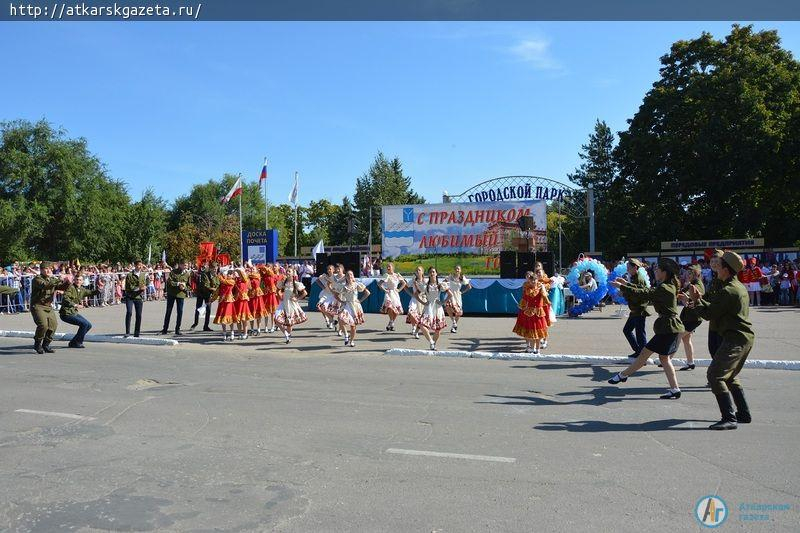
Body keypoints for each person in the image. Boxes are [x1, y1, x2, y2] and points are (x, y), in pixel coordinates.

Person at [686, 251, 754, 430]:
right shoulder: (733, 286)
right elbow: (715, 307)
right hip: (739, 337)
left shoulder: (729, 290)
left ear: (726, 269)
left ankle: (729, 418)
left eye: (719, 264)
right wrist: (698, 300)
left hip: (735, 338)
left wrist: (696, 300)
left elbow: (709, 314)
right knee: (729, 376)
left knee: (715, 375)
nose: (715, 266)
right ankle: (743, 414)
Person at [607, 258, 686, 400]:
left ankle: (623, 375)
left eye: (657, 269)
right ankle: (675, 389)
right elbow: (646, 290)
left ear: (664, 273)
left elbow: (644, 293)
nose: (655, 271)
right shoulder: (668, 285)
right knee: (662, 358)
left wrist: (623, 287)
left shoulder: (664, 288)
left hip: (668, 327)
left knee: (646, 354)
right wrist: (626, 284)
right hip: (669, 326)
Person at [29, 261, 68, 354]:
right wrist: (58, 279)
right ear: (41, 270)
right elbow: (45, 286)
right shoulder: (37, 279)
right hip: (38, 305)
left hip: (48, 306)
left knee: (53, 325)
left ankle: (46, 344)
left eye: (49, 269)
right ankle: (37, 344)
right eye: (46, 269)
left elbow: (60, 287)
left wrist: (68, 282)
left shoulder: (51, 279)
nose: (48, 271)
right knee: (43, 325)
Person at [512, 271, 550, 354]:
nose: (533, 282)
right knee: (531, 331)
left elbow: (544, 296)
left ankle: (538, 349)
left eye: (534, 280)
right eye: (531, 280)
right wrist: (521, 305)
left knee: (539, 331)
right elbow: (525, 298)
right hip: (529, 312)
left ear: (537, 280)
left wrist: (547, 301)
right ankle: (532, 348)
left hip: (539, 312)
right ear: (529, 281)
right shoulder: (527, 288)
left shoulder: (541, 286)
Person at [619, 259, 649, 360]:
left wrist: (623, 291)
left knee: (640, 333)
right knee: (627, 330)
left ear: (635, 268)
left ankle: (643, 356)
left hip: (639, 309)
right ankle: (638, 351)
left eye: (629, 268)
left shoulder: (639, 278)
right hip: (635, 309)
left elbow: (637, 294)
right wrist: (625, 285)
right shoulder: (634, 277)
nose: (627, 270)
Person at [59, 273, 100, 348]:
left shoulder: (82, 289)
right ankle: (78, 342)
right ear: (74, 280)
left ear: (82, 281)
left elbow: (90, 292)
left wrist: (99, 289)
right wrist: (75, 305)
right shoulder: (70, 288)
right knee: (84, 324)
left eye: (80, 280)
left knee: (88, 325)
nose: (78, 281)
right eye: (77, 280)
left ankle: (73, 342)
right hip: (66, 313)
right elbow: (65, 299)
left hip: (73, 312)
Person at [677, 264, 704, 370]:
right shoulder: (691, 283)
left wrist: (686, 297)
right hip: (689, 317)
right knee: (686, 339)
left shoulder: (698, 284)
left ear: (696, 274)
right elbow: (681, 292)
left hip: (693, 318)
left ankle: (667, 358)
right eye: (687, 273)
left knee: (677, 336)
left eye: (690, 273)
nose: (688, 275)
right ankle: (690, 363)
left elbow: (697, 295)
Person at [417, 267, 452, 351]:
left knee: (437, 329)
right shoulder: (425, 286)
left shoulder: (440, 285)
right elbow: (415, 294)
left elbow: (450, 294)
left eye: (433, 272)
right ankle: (431, 341)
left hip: (437, 307)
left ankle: (433, 344)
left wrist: (443, 302)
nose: (432, 273)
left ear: (436, 274)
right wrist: (423, 302)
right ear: (428, 274)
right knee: (422, 325)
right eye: (430, 272)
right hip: (428, 307)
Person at [336, 270, 371, 347]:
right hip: (347, 305)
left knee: (353, 326)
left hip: (355, 306)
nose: (349, 276)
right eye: (348, 275)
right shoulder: (343, 287)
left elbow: (367, 293)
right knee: (341, 319)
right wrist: (341, 301)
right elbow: (335, 294)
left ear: (353, 276)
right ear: (346, 277)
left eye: (351, 275)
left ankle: (351, 341)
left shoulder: (357, 285)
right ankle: (346, 335)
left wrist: (360, 300)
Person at [274, 266, 308, 343]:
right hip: (283, 303)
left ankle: (288, 337)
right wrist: (280, 296)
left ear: (293, 273)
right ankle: (286, 334)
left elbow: (305, 293)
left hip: (291, 305)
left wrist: (297, 299)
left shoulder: (296, 284)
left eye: (289, 271)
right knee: (276, 319)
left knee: (289, 323)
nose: (287, 273)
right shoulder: (283, 282)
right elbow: (277, 290)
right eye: (287, 271)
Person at [161, 260, 191, 336]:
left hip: (181, 295)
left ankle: (177, 329)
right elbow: (169, 282)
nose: (185, 267)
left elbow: (189, 286)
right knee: (169, 311)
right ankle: (165, 329)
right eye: (184, 265)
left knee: (180, 312)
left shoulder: (187, 274)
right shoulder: (173, 272)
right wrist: (178, 284)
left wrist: (185, 288)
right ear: (180, 265)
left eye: (186, 265)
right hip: (172, 294)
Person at [190, 261, 219, 332]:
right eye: (213, 269)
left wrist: (216, 290)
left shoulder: (216, 276)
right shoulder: (204, 275)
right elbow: (206, 285)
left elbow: (218, 284)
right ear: (210, 268)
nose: (215, 270)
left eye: (216, 268)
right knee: (198, 309)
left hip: (209, 295)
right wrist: (214, 289)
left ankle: (206, 326)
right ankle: (195, 324)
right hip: (201, 293)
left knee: (208, 310)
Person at [443, 265, 472, 334]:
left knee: (458, 312)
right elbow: (443, 283)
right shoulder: (450, 277)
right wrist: (446, 289)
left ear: (460, 270)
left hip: (457, 296)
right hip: (450, 295)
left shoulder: (462, 278)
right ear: (454, 269)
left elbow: (469, 287)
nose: (457, 270)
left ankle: (454, 325)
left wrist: (462, 292)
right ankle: (454, 322)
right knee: (448, 307)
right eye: (456, 269)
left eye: (458, 269)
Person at [378, 262, 406, 331]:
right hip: (389, 293)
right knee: (390, 307)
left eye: (389, 266)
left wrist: (399, 289)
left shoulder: (397, 275)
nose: (388, 268)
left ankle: (391, 323)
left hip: (395, 294)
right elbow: (379, 284)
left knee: (396, 310)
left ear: (393, 268)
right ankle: (391, 321)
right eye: (387, 267)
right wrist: (385, 290)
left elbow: (404, 283)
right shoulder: (386, 275)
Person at [212, 267, 237, 341]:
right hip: (222, 301)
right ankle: (224, 333)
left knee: (230, 318)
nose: (229, 275)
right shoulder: (222, 282)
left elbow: (224, 281)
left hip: (229, 301)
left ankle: (232, 333)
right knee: (223, 318)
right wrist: (211, 300)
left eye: (230, 274)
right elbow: (217, 292)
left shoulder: (232, 281)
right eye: (227, 274)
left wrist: (219, 275)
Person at [124, 260, 147, 338]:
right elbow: (130, 287)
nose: (140, 267)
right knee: (129, 312)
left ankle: (137, 333)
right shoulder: (130, 275)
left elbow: (146, 282)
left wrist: (145, 286)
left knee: (139, 315)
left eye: (141, 265)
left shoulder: (143, 274)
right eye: (138, 265)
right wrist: (140, 288)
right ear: (135, 265)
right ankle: (127, 332)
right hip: (130, 296)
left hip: (138, 297)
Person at [315, 264, 340, 329]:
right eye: (328, 269)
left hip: (333, 295)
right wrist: (323, 287)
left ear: (333, 270)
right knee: (321, 307)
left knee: (331, 310)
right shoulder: (324, 276)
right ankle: (330, 321)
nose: (328, 270)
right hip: (326, 294)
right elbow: (317, 280)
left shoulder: (336, 277)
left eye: (330, 269)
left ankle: (332, 322)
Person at [404, 266, 426, 339]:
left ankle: (417, 330)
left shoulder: (426, 281)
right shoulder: (413, 280)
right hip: (415, 299)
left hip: (423, 300)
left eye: (419, 270)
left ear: (422, 272)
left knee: (421, 316)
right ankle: (413, 327)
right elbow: (405, 287)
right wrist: (411, 294)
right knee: (412, 312)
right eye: (416, 270)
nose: (417, 271)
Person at [247, 264, 267, 336]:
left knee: (259, 313)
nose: (252, 270)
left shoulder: (257, 276)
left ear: (256, 270)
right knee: (251, 313)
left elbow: (262, 269)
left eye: (253, 269)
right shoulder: (248, 277)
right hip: (251, 296)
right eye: (251, 269)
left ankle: (258, 329)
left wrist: (256, 267)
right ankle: (252, 329)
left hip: (258, 296)